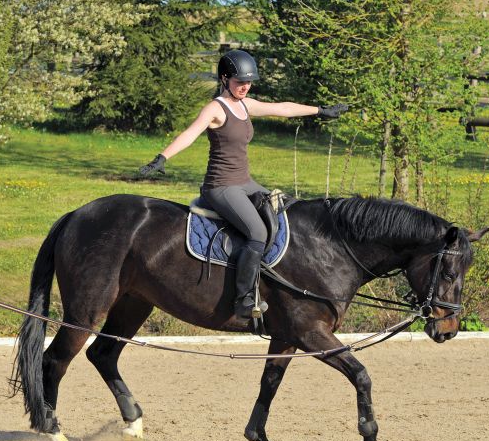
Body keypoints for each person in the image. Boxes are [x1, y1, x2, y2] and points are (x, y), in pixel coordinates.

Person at [139, 49, 347, 319]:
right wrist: (162, 157)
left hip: (245, 183)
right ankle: (244, 298)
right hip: (222, 187)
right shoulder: (216, 108)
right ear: (225, 79)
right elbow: (190, 133)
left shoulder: (244, 104)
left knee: (286, 209)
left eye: (249, 82)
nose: (245, 86)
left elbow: (281, 109)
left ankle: (274, 281)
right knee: (257, 232)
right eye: (240, 82)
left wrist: (320, 111)